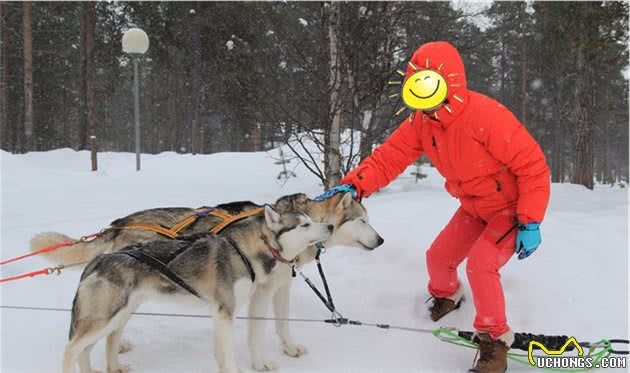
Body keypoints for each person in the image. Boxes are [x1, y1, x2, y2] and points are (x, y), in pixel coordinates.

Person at [336, 41, 550, 373]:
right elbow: (388, 158)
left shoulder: (486, 116)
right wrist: (355, 183)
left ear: (449, 82)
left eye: (429, 85)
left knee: (480, 266)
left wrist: (530, 220)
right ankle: (448, 296)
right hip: (473, 209)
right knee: (438, 258)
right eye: (416, 86)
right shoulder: (422, 123)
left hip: (509, 209)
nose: (424, 98)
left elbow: (533, 165)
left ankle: (494, 340)